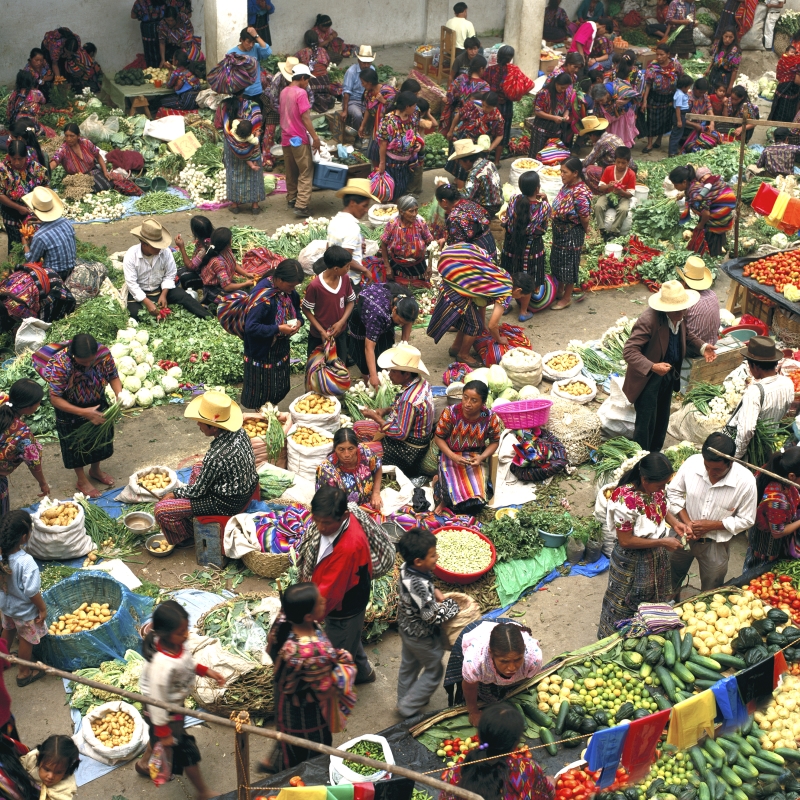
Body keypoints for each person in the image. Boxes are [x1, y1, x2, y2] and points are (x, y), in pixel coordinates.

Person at [264, 583, 357, 773]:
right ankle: (296, 775)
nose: (323, 600)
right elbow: (326, 690)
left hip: (284, 695)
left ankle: (275, 761)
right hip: (305, 710)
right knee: (313, 747)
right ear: (308, 616)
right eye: (319, 601)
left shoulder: (284, 619)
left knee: (286, 733)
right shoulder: (313, 653)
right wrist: (345, 667)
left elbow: (270, 645)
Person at [136, 601, 225, 799]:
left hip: (172, 704)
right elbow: (156, 701)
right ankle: (202, 791)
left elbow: (185, 663)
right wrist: (164, 731)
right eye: (181, 632)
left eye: (186, 629)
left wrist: (206, 671)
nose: (186, 635)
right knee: (185, 750)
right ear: (165, 634)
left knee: (157, 738)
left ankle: (144, 764)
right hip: (162, 711)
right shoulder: (161, 665)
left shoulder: (176, 644)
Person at [296, 486, 381, 684]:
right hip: (350, 598)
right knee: (350, 639)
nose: (319, 527)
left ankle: (336, 693)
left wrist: (307, 619)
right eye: (316, 520)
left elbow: (329, 595)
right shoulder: (338, 525)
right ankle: (364, 672)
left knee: (338, 649)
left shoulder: (347, 549)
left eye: (325, 523)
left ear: (343, 516)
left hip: (345, 606)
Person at [598, 454, 689, 637]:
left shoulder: (656, 490)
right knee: (624, 603)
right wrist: (662, 541)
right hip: (631, 561)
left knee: (653, 598)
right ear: (644, 479)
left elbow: (661, 507)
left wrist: (676, 523)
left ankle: (645, 636)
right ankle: (613, 641)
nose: (663, 488)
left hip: (655, 555)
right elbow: (625, 540)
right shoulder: (624, 501)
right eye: (660, 485)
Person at [153, 392, 258, 545]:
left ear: (214, 428)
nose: (198, 425)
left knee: (161, 511)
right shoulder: (239, 432)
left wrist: (173, 494)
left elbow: (198, 491)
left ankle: (190, 535)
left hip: (227, 503)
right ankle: (189, 514)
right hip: (246, 487)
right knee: (197, 467)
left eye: (201, 422)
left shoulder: (216, 455)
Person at [622, 281, 716, 451]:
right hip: (648, 379)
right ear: (666, 309)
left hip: (668, 376)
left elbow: (687, 335)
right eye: (679, 310)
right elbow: (629, 351)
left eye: (684, 309)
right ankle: (639, 458)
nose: (683, 313)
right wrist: (652, 366)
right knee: (646, 422)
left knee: (662, 418)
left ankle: (655, 452)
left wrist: (703, 347)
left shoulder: (680, 316)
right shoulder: (649, 321)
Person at [668, 432, 757, 594]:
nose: (710, 472)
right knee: (669, 578)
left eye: (716, 469)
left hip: (715, 545)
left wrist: (712, 526)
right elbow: (673, 493)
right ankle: (668, 604)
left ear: (730, 463)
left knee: (711, 590)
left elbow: (747, 520)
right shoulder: (692, 463)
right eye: (707, 467)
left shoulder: (746, 482)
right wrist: (687, 521)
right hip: (681, 533)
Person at [37, 334, 121, 496]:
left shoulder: (103, 354)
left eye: (91, 360)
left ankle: (95, 470)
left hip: (96, 399)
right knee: (76, 444)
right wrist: (84, 413)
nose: (89, 364)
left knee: (99, 438)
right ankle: (81, 479)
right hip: (70, 408)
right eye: (84, 362)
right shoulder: (61, 365)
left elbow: (113, 376)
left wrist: (120, 394)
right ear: (74, 355)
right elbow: (55, 398)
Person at [428, 242, 533, 366]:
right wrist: (499, 339)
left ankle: (455, 348)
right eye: (521, 296)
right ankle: (463, 355)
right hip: (456, 290)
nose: (519, 299)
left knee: (470, 320)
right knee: (475, 326)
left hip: (452, 283)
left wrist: (481, 322)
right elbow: (493, 325)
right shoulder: (507, 292)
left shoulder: (503, 275)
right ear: (518, 290)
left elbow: (481, 302)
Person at [395, 527, 460, 719]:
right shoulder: (419, 586)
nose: (437, 557)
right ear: (418, 561)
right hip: (420, 635)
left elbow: (422, 594)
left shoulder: (406, 569)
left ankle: (404, 699)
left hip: (406, 628)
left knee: (409, 665)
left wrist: (434, 590)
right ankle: (408, 707)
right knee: (434, 669)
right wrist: (451, 606)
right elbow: (431, 616)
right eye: (432, 555)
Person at [441, 702, 555, 800]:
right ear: (515, 743)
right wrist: (550, 784)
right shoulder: (526, 769)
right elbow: (547, 794)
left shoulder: (457, 773)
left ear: (479, 735)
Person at [444, 621, 543, 723]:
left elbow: (525, 678)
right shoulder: (475, 663)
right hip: (477, 633)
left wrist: (507, 683)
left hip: (510, 630)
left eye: (518, 659)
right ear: (491, 653)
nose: (512, 668)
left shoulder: (534, 660)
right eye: (504, 661)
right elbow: (469, 687)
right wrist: (473, 712)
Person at [359, 344, 435, 475]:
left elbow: (400, 433)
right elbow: (403, 410)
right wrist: (385, 410)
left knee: (359, 452)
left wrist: (377, 418)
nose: (389, 374)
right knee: (358, 426)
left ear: (406, 374)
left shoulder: (409, 400)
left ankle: (376, 464)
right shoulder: (419, 382)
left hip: (408, 451)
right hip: (410, 439)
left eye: (393, 371)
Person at [242, 260, 304, 408]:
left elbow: (298, 312)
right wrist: (278, 329)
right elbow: (251, 327)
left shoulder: (288, 293)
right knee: (260, 390)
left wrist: (299, 323)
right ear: (280, 280)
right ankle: (260, 414)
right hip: (262, 350)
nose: (293, 289)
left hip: (280, 348)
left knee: (278, 386)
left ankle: (271, 409)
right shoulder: (263, 298)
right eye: (291, 285)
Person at [434, 380, 503, 513]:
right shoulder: (451, 413)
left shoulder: (488, 417)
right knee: (449, 499)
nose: (467, 403)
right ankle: (440, 488)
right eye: (465, 397)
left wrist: (481, 457)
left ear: (483, 402)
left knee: (476, 503)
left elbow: (495, 441)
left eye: (474, 400)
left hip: (474, 458)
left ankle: (444, 484)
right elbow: (438, 438)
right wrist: (453, 456)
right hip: (450, 455)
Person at [122, 218, 210, 319]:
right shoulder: (131, 256)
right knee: (135, 313)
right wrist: (147, 302)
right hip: (140, 292)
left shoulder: (165, 252)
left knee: (183, 296)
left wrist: (163, 295)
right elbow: (132, 284)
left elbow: (170, 274)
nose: (159, 249)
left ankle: (208, 317)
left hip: (160, 289)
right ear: (144, 244)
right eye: (155, 246)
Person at [727, 336, 795, 460]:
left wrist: (736, 456)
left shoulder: (754, 392)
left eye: (749, 365)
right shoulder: (787, 383)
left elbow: (746, 430)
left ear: (756, 367)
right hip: (767, 444)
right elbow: (784, 410)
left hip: (749, 451)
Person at [0, 510, 47, 687]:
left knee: (8, 628)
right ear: (24, 537)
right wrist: (42, 608)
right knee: (27, 638)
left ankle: (3, 659)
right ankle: (24, 672)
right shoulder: (26, 562)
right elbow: (32, 591)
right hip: (24, 612)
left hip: (7, 606)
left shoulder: (1, 556)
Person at [501, 171, 551, 321]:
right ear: (537, 189)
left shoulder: (513, 200)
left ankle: (504, 305)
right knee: (528, 278)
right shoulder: (543, 207)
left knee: (508, 274)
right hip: (531, 249)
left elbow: (507, 220)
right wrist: (546, 200)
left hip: (511, 245)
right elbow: (544, 227)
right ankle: (523, 312)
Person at [742, 447, 800, 575]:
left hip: (761, 528)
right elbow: (778, 532)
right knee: (758, 574)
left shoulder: (772, 469)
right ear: (792, 476)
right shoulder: (777, 500)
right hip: (766, 543)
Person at [349, 283, 419, 387]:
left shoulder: (409, 303)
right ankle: (367, 381)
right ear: (394, 309)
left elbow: (408, 321)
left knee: (386, 347)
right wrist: (373, 376)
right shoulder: (376, 314)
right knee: (363, 357)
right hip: (362, 319)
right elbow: (369, 347)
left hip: (384, 316)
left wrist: (405, 344)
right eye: (400, 321)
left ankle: (384, 376)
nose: (401, 325)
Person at [550, 158, 593, 311]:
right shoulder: (567, 186)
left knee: (569, 265)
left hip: (572, 233)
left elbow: (584, 217)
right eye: (561, 171)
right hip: (560, 233)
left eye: (564, 172)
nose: (561, 175)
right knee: (558, 261)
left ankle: (566, 298)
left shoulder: (580, 192)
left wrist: (585, 230)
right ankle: (559, 290)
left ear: (575, 173)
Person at [0, 381, 49, 514]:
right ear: (28, 407)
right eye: (38, 402)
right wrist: (43, 483)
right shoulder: (23, 434)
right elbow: (34, 463)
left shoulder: (2, 403)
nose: (39, 405)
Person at [281, 64, 321, 219]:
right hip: (298, 137)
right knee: (305, 170)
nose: (308, 83)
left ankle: (291, 197)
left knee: (290, 170)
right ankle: (301, 205)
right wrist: (315, 137)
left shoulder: (284, 91)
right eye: (308, 80)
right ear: (303, 78)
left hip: (286, 138)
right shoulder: (301, 93)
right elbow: (305, 117)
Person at [670, 164, 736, 256]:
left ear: (684, 182)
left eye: (676, 184)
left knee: (710, 234)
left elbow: (706, 214)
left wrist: (700, 225)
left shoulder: (695, 195)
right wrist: (683, 194)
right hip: (719, 208)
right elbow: (692, 191)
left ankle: (713, 254)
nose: (674, 187)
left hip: (719, 214)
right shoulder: (694, 182)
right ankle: (718, 247)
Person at [303, 245, 355, 361]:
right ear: (336, 269)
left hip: (339, 334)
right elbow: (306, 310)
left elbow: (350, 302)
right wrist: (321, 331)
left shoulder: (345, 279)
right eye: (346, 266)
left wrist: (341, 322)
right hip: (319, 337)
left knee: (338, 369)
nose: (348, 268)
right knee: (317, 371)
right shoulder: (315, 286)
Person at [327, 179, 380, 288]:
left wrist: (357, 246)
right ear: (352, 203)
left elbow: (329, 247)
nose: (366, 210)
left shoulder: (335, 220)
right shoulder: (352, 227)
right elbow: (345, 259)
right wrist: (364, 270)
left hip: (336, 277)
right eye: (364, 205)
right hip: (349, 279)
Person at [219, 99, 265, 216]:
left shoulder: (225, 105)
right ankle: (255, 206)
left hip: (231, 145)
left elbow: (219, 124)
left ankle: (235, 205)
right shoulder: (253, 106)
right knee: (253, 173)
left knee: (234, 172)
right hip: (251, 146)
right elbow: (258, 124)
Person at [0, 141, 48, 251]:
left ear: (25, 156)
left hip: (32, 210)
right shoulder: (3, 170)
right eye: (13, 159)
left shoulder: (35, 168)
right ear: (9, 156)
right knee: (15, 243)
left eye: (20, 159)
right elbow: (0, 194)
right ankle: (14, 265)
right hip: (11, 210)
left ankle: (31, 264)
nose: (16, 162)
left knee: (32, 240)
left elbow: (46, 185)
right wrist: (18, 207)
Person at [316, 428, 383, 508]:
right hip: (342, 512)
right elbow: (326, 504)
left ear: (356, 447)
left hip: (368, 503)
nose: (347, 454)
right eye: (341, 449)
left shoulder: (364, 451)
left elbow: (377, 466)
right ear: (335, 449)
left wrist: (376, 493)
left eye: (351, 449)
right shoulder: (326, 470)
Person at [375, 92, 423, 200]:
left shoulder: (413, 117)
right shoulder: (389, 120)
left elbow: (415, 133)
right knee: (390, 191)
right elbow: (383, 143)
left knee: (403, 190)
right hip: (392, 163)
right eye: (414, 105)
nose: (415, 108)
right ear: (407, 106)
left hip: (406, 163)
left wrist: (418, 144)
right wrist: (381, 163)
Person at [0, 263, 74, 332]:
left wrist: (19, 329)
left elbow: (34, 320)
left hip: (52, 282)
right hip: (42, 272)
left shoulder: (15, 307)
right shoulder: (2, 289)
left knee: (45, 322)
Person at [20, 188, 76, 279]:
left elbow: (31, 261)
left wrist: (25, 244)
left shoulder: (40, 236)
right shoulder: (66, 222)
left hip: (54, 276)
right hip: (72, 269)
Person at [379, 197, 434, 287]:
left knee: (420, 289)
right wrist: (387, 267)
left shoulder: (421, 223)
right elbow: (384, 244)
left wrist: (430, 266)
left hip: (418, 265)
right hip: (398, 265)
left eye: (416, 210)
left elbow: (430, 244)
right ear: (401, 212)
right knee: (398, 291)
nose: (415, 214)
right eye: (411, 211)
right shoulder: (393, 224)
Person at [195, 227, 255, 305]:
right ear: (227, 243)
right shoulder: (218, 262)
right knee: (243, 297)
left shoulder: (227, 250)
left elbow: (232, 263)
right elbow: (227, 287)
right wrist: (245, 284)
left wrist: (246, 274)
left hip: (224, 283)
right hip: (214, 289)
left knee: (247, 294)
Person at [448, 93, 505, 172]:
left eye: (488, 107)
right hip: (464, 139)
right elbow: (458, 115)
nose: (484, 108)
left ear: (494, 106)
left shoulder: (498, 118)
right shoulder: (472, 105)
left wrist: (490, 148)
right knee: (461, 165)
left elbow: (500, 135)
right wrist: (451, 131)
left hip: (480, 147)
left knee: (476, 170)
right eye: (483, 105)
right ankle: (458, 180)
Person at [434, 183, 496, 257]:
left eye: (438, 201)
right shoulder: (470, 204)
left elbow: (458, 247)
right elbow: (486, 219)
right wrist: (446, 239)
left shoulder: (454, 218)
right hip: (489, 244)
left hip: (478, 253)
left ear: (444, 202)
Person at [642, 44, 684, 153]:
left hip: (669, 97)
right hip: (654, 97)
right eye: (657, 54)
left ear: (668, 54)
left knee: (664, 120)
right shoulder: (652, 66)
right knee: (651, 120)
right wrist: (645, 100)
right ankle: (649, 143)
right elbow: (648, 84)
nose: (659, 57)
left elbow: (681, 78)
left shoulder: (676, 65)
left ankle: (659, 139)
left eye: (662, 55)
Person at [50, 123, 112, 193]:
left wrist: (105, 171)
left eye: (72, 136)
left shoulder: (86, 143)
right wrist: (46, 170)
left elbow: (98, 156)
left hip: (93, 172)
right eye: (66, 136)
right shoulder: (63, 149)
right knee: (89, 191)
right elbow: (55, 160)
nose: (68, 139)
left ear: (78, 136)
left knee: (109, 184)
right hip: (77, 179)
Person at [450, 140, 502, 219]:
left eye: (460, 162)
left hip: (488, 208)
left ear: (467, 161)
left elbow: (466, 196)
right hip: (498, 203)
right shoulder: (488, 163)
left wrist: (450, 189)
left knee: (457, 206)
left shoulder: (474, 174)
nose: (461, 165)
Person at [594, 146, 636, 240]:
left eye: (623, 163)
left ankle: (614, 232)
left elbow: (631, 194)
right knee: (598, 206)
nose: (620, 165)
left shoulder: (631, 174)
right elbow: (600, 187)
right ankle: (602, 230)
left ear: (628, 163)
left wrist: (621, 191)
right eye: (618, 162)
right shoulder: (609, 169)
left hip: (622, 197)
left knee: (624, 209)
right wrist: (609, 186)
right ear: (615, 161)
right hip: (608, 195)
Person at [441, 56, 490, 137]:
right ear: (481, 69)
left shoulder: (461, 78)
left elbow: (450, 95)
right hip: (472, 120)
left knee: (455, 142)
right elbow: (483, 106)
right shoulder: (484, 85)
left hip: (457, 115)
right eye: (485, 69)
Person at [529, 73, 575, 159]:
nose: (563, 90)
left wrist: (566, 115)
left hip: (556, 130)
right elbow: (537, 111)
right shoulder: (544, 93)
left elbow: (567, 107)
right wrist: (553, 118)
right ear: (556, 83)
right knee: (536, 156)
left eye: (565, 88)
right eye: (562, 87)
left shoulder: (567, 92)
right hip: (541, 130)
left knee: (552, 156)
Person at [677, 256, 720, 345]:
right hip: (712, 343)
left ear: (684, 283)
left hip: (693, 349)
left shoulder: (687, 302)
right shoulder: (713, 294)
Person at [359, 70, 398, 163]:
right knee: (374, 151)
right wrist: (362, 126)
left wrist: (383, 101)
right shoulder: (368, 93)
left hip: (389, 127)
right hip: (377, 126)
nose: (362, 85)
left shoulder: (388, 92)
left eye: (363, 82)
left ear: (370, 82)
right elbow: (368, 109)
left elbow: (396, 108)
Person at [482, 47, 517, 150]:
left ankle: (486, 149)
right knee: (503, 131)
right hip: (506, 105)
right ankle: (498, 156)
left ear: (498, 56)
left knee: (488, 127)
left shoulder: (490, 70)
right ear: (510, 59)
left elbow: (484, 85)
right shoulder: (513, 71)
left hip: (491, 104)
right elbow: (527, 85)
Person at [580, 115, 626, 192]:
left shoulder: (601, 143)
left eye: (589, 137)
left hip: (617, 173)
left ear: (593, 135)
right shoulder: (613, 136)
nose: (590, 139)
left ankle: (600, 191)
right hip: (625, 169)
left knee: (587, 170)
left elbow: (588, 162)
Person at [227, 27, 271, 104]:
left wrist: (256, 36)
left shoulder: (256, 48)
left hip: (257, 91)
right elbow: (229, 74)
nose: (251, 45)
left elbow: (268, 52)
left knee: (257, 115)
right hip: (242, 94)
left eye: (253, 42)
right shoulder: (232, 53)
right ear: (241, 39)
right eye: (248, 42)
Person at [295, 30, 335, 113]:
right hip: (325, 82)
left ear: (305, 41)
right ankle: (325, 98)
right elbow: (327, 62)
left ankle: (317, 100)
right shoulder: (323, 50)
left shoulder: (302, 52)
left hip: (312, 83)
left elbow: (293, 61)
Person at [605, 58, 640, 147]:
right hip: (624, 115)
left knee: (613, 138)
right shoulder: (627, 85)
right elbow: (636, 97)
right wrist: (626, 101)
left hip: (614, 116)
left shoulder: (610, 85)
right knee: (623, 137)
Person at [680, 77, 720, 154]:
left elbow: (710, 111)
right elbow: (682, 118)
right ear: (694, 88)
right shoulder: (687, 98)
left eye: (703, 92)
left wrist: (712, 123)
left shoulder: (705, 97)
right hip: (687, 126)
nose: (702, 94)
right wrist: (695, 125)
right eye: (700, 92)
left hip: (699, 125)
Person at [340, 46, 377, 129]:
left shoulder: (372, 69)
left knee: (377, 112)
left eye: (368, 63)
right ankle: (357, 137)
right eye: (364, 63)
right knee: (358, 115)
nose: (366, 65)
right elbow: (346, 93)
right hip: (353, 101)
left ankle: (371, 134)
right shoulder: (351, 72)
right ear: (359, 61)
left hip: (367, 100)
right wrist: (345, 110)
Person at [174, 216, 213, 291]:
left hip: (207, 276)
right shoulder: (209, 239)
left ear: (194, 232)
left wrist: (182, 247)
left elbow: (191, 267)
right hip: (203, 268)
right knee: (177, 271)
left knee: (184, 277)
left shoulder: (204, 249)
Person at [769, 31, 800, 123]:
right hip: (790, 82)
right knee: (787, 106)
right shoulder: (795, 45)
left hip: (786, 82)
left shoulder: (795, 40)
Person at [131, 0, 169, 68]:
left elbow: (133, 15)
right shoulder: (163, 1)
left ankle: (153, 71)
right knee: (164, 48)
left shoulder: (140, 2)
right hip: (162, 27)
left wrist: (144, 16)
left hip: (147, 30)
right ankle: (165, 69)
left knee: (150, 52)